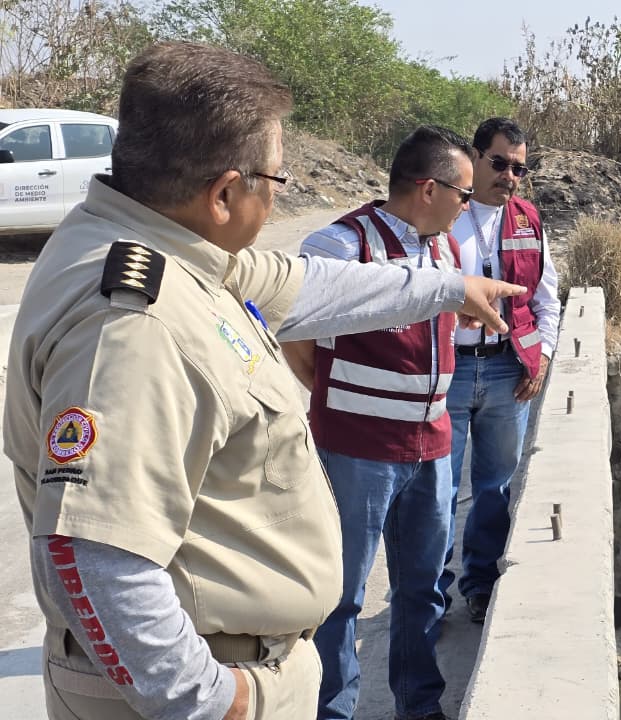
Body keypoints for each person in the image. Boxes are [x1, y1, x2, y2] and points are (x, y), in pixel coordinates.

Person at [2, 42, 522, 720]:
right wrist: (220, 701)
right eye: (277, 182)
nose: (280, 200)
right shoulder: (135, 324)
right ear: (223, 193)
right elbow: (91, 555)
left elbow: (306, 286)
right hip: (197, 685)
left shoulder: (166, 247)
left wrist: (451, 287)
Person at [285, 125, 473, 720]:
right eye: (462, 194)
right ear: (428, 188)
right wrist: (337, 394)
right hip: (358, 449)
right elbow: (295, 331)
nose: (467, 206)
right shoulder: (340, 245)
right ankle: (333, 711)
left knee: (421, 591)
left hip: (432, 448)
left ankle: (420, 707)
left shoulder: (444, 247)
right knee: (340, 596)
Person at [444, 118, 559, 623]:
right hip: (445, 372)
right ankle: (429, 597)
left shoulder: (529, 221)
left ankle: (481, 587)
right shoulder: (444, 215)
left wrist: (545, 356)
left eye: (519, 168)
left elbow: (546, 300)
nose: (509, 176)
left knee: (493, 489)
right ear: (475, 158)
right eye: (499, 163)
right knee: (436, 492)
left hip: (506, 374)